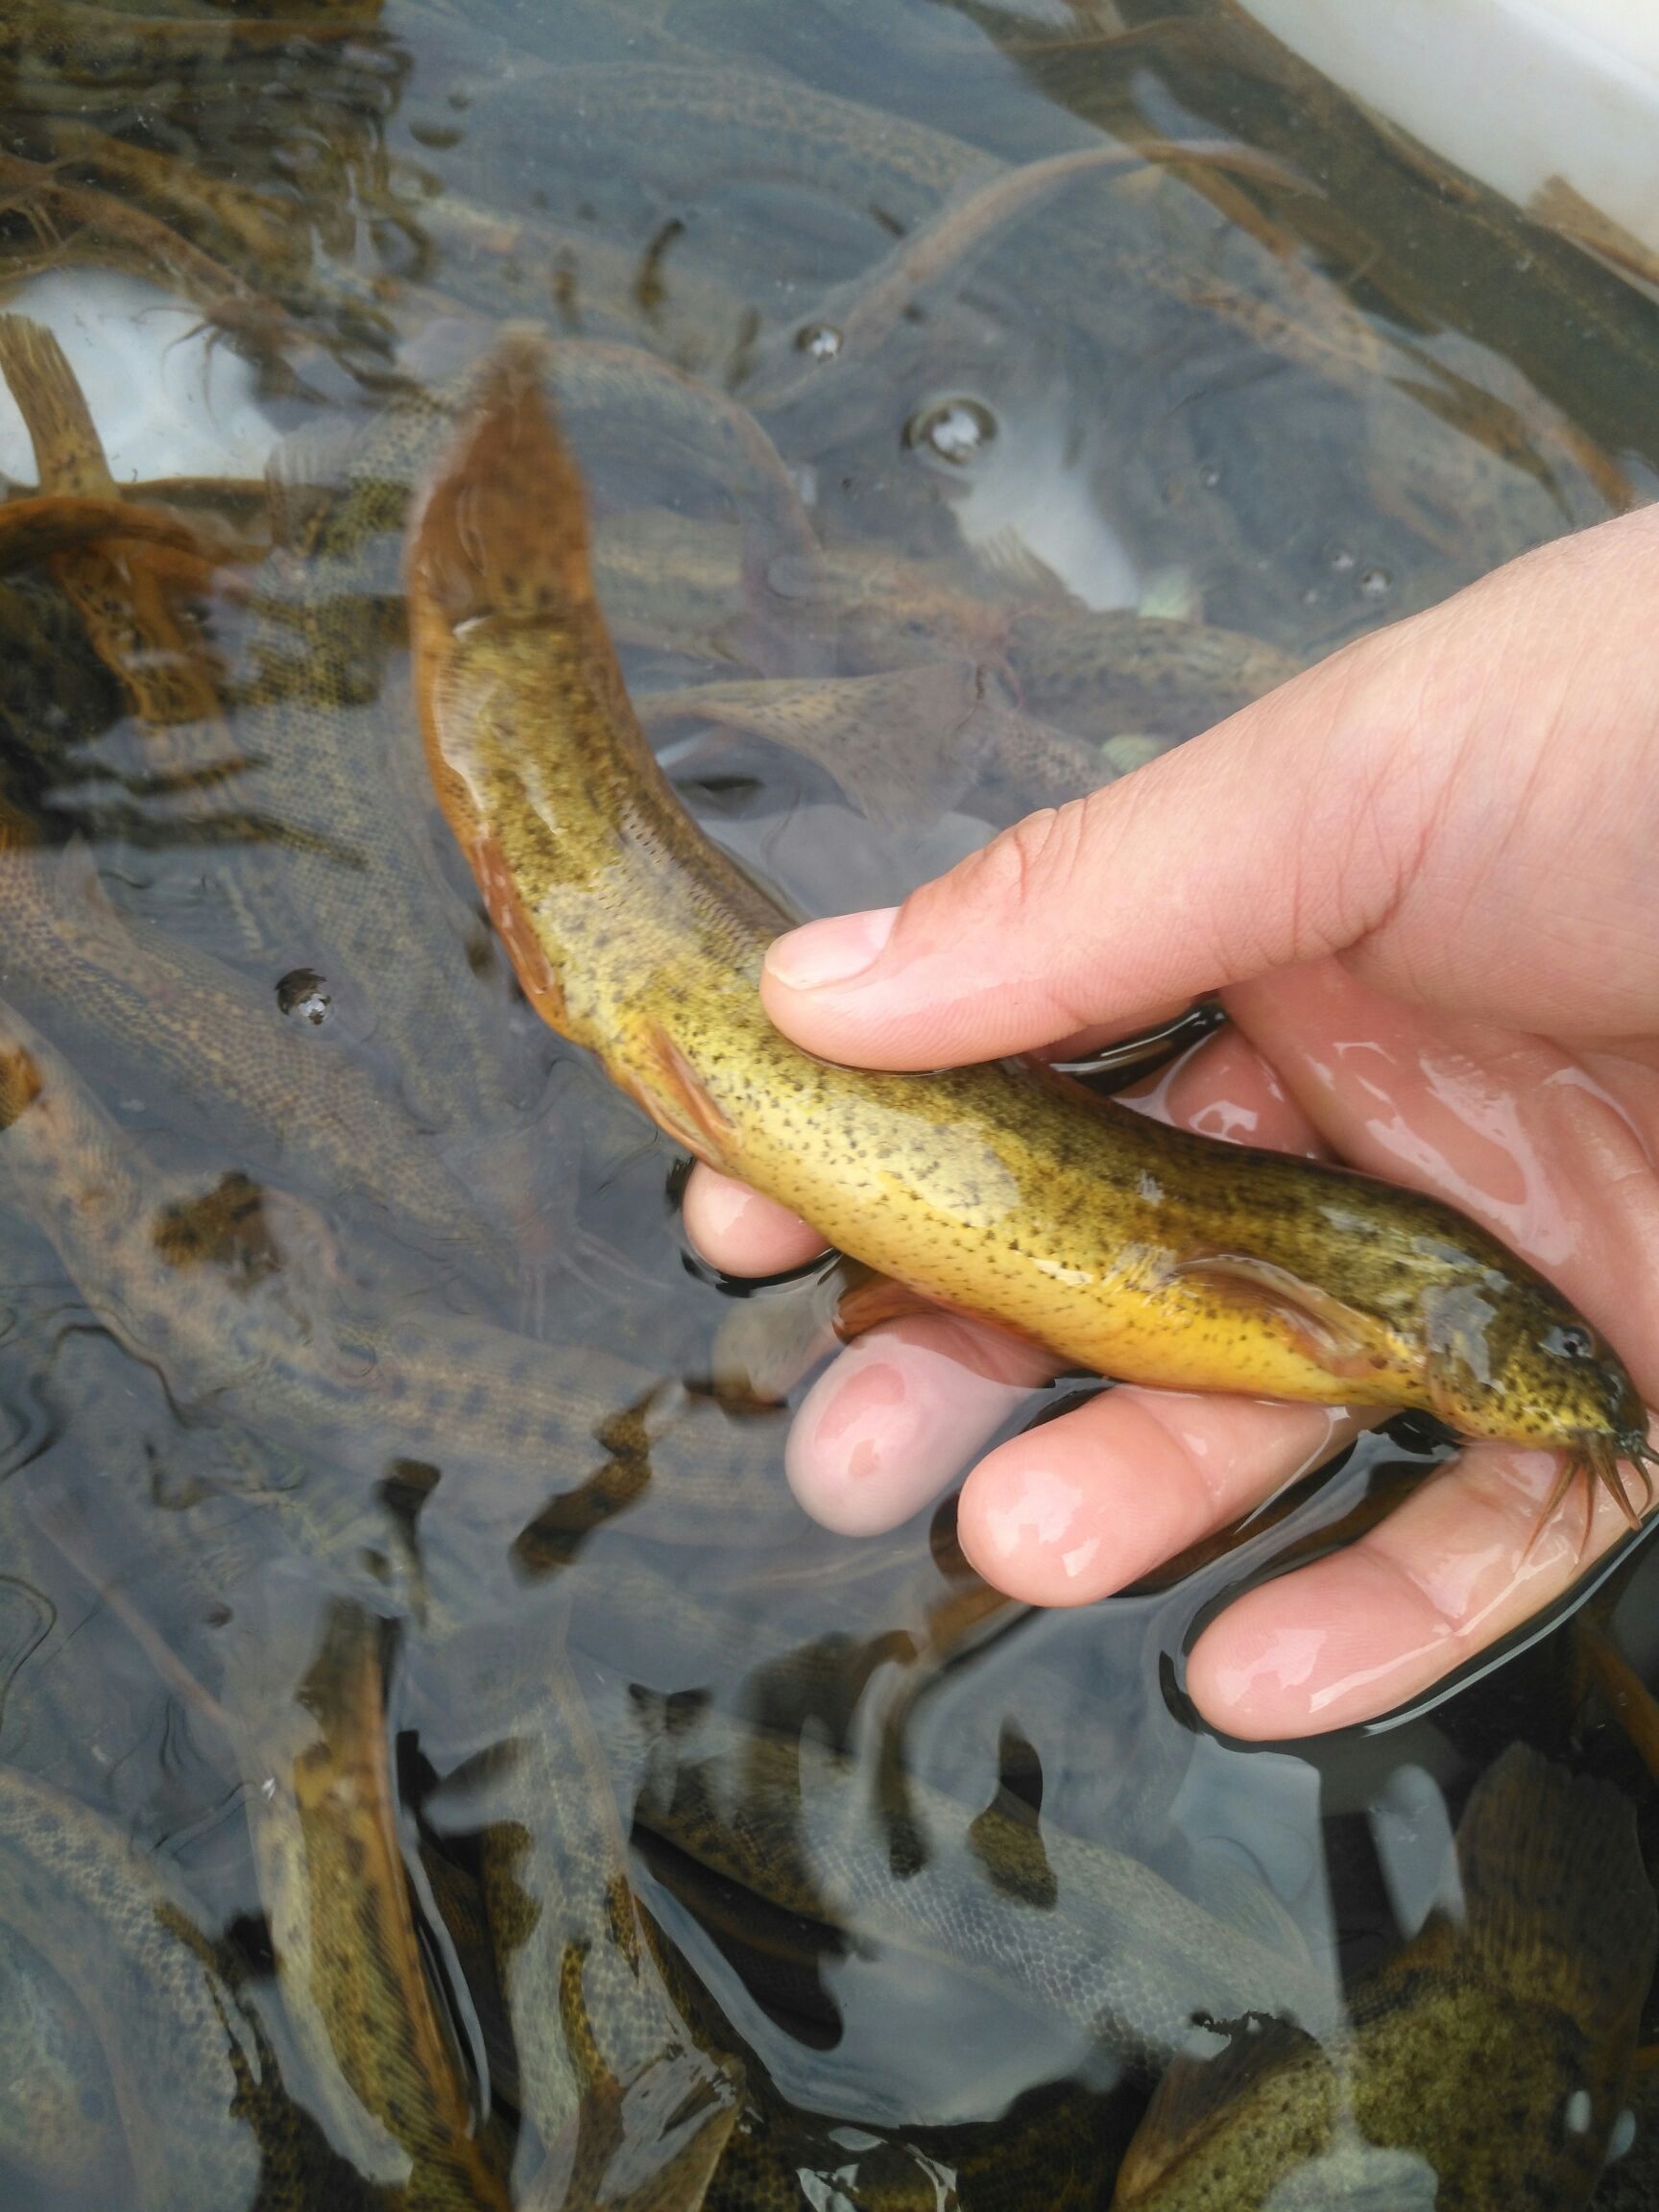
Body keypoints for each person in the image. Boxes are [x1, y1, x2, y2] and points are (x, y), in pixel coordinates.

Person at [683, 505, 1659, 1741]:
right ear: (1473, 1335)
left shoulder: (1397, 1323)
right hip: (868, 1090)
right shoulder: (1388, 1314)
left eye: (1574, 1366)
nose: (1593, 1396)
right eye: (1572, 1360)